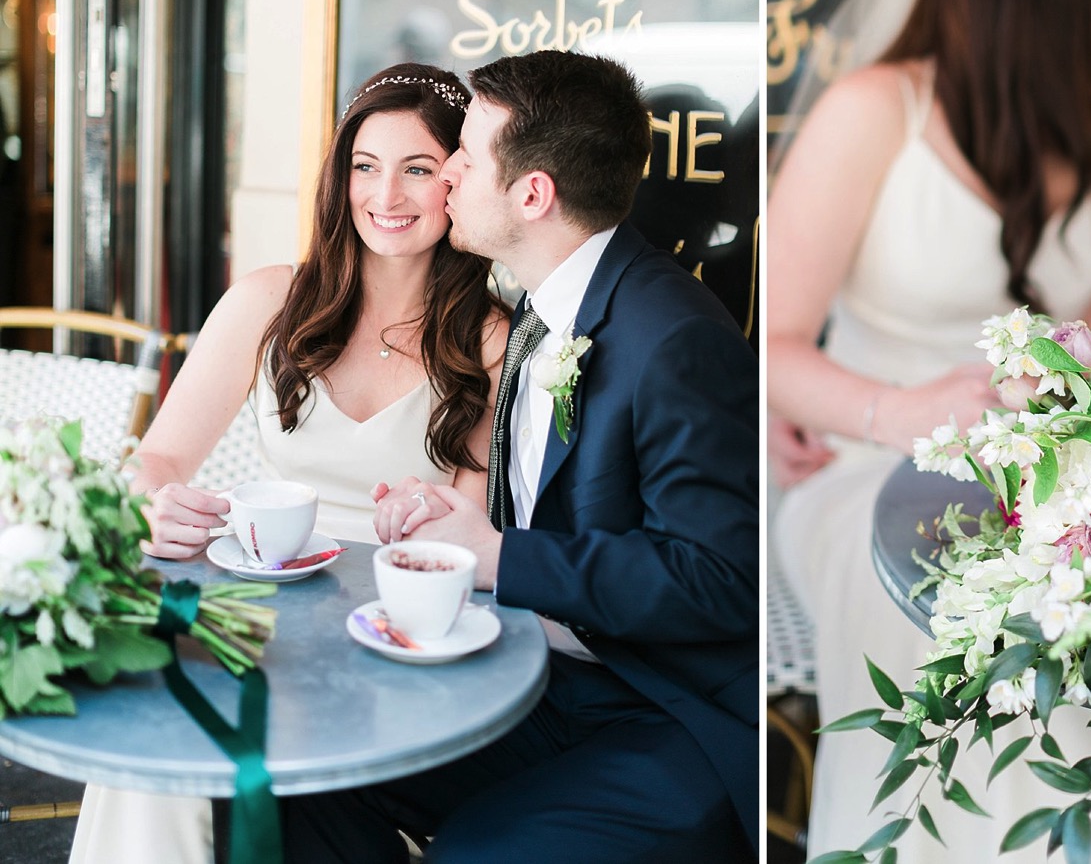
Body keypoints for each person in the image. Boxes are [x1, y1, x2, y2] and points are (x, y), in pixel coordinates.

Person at [278, 50, 759, 861]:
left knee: (474, 852)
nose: (449, 177)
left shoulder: (672, 339)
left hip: (666, 714)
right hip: (544, 681)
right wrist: (458, 521)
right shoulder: (539, 308)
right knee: (299, 772)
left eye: (465, 156)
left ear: (533, 194)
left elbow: (720, 582)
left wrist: (504, 556)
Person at [769, 0, 1091, 860]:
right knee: (958, 619)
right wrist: (894, 413)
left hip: (1052, 482)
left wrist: (1069, 402)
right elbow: (768, 346)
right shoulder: (871, 112)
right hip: (873, 473)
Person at [69, 64, 509, 864]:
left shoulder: (488, 341)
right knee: (160, 753)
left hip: (388, 635)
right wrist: (154, 506)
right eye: (365, 167)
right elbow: (159, 457)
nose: (389, 195)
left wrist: (425, 525)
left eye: (419, 169)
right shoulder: (271, 300)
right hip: (252, 607)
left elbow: (465, 538)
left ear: (457, 182)